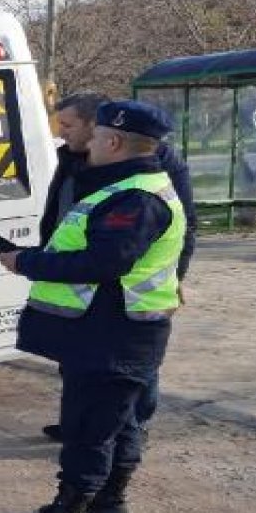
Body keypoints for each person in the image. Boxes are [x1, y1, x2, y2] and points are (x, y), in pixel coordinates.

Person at [0, 100, 186, 513]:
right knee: (115, 423)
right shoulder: (131, 186)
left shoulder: (134, 197)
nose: (85, 143)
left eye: (95, 136)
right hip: (121, 330)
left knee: (88, 428)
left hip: (113, 334)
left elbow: (104, 261)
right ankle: (108, 502)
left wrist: (27, 262)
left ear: (114, 142)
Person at [38, 93, 197, 444]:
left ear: (99, 130)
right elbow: (60, 213)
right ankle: (77, 423)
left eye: (68, 125)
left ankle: (131, 429)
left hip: (127, 289)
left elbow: (184, 224)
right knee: (78, 359)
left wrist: (176, 277)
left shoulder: (155, 163)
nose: (61, 132)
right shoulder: (73, 158)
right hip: (78, 277)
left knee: (130, 367)